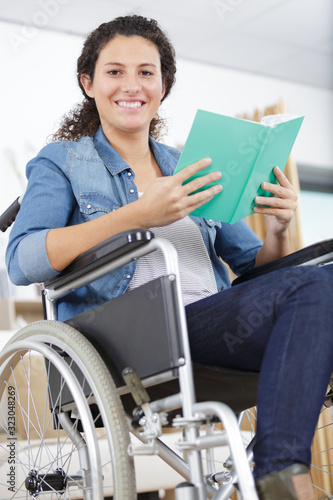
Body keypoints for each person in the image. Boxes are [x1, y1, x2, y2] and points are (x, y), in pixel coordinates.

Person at [6, 14, 333, 500]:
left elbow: (255, 267)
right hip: (132, 340)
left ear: (163, 85)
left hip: (211, 327)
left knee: (315, 280)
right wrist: (136, 215)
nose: (131, 84)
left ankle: (279, 467)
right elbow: (23, 260)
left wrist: (280, 229)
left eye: (146, 72)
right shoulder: (65, 161)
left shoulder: (189, 164)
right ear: (88, 82)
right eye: (114, 71)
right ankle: (283, 472)